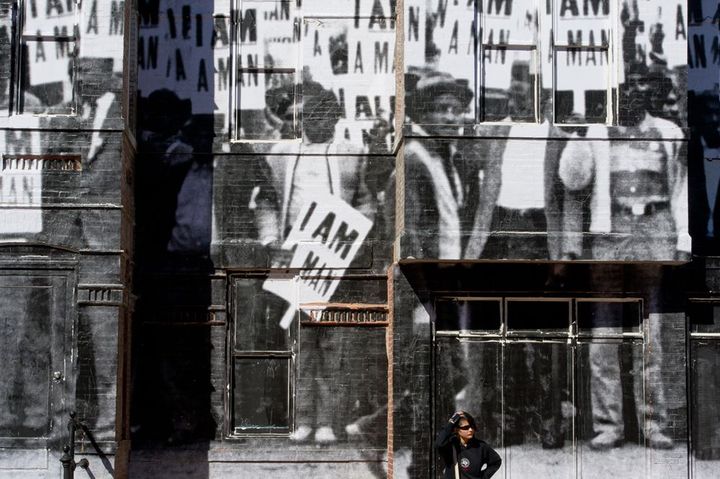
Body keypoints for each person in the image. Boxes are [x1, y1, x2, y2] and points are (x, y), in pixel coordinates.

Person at [559, 60, 684, 450]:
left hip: (654, 233)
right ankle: (608, 425)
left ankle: (652, 425)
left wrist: (681, 241)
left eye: (641, 87)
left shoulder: (669, 133)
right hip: (609, 239)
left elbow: (680, 190)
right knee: (605, 336)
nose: (633, 93)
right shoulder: (596, 131)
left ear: (653, 93)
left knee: (652, 335)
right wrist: (579, 137)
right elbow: (572, 180)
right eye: (624, 87)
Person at [254, 80, 376, 444]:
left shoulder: (354, 153)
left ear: (337, 118)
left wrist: (357, 231)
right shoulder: (279, 154)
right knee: (301, 338)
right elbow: (266, 203)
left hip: (336, 256)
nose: (317, 122)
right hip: (296, 252)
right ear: (300, 119)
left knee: (335, 340)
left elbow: (367, 200)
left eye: (325, 115)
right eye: (309, 115)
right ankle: (303, 417)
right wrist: (272, 240)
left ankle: (328, 421)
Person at [404, 68, 478, 259]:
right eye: (441, 109)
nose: (451, 118)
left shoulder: (455, 159)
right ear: (422, 115)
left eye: (457, 110)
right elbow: (407, 233)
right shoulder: (413, 160)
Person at [436, 411, 501, 479]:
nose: (470, 430)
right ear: (456, 429)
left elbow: (496, 461)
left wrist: (483, 477)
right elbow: (438, 444)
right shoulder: (450, 445)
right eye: (465, 427)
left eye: (472, 426)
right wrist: (450, 423)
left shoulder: (481, 446)